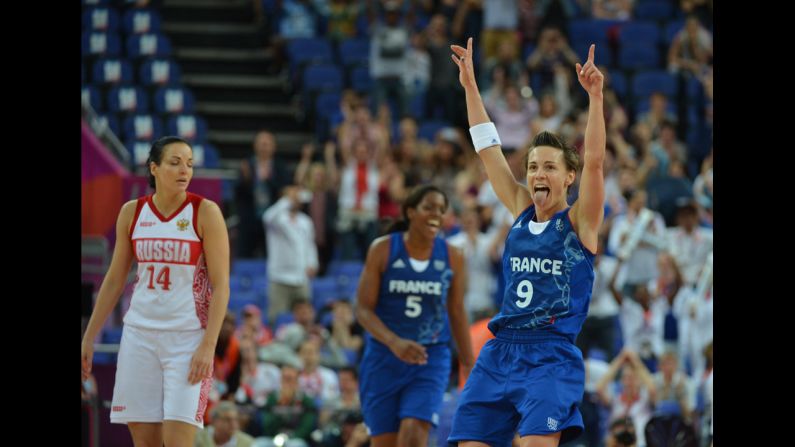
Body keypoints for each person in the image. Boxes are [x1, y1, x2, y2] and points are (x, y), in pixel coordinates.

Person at [448, 39, 606, 446]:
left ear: (568, 177)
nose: (538, 173)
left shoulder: (580, 222)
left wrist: (595, 98)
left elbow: (595, 161)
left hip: (550, 355)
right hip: (501, 350)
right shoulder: (519, 206)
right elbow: (488, 151)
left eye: (550, 167)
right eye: (533, 166)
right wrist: (471, 89)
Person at [81, 136, 231, 446]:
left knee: (178, 441)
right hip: (140, 336)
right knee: (145, 443)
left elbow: (221, 286)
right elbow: (113, 279)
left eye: (189, 164)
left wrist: (208, 345)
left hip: (187, 339)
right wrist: (88, 336)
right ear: (154, 168)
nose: (183, 171)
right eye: (174, 163)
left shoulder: (205, 212)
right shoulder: (132, 212)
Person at [355, 184, 474, 447]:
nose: (436, 214)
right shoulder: (383, 249)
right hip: (383, 358)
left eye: (442, 210)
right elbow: (363, 309)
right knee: (385, 442)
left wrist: (468, 361)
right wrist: (394, 341)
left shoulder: (453, 255)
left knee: (412, 436)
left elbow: (456, 311)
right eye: (429, 207)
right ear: (410, 212)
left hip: (429, 358)